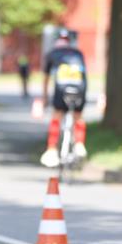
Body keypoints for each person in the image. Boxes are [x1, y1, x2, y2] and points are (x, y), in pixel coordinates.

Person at [39, 28, 88, 167]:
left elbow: (46, 78)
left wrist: (44, 97)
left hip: (61, 89)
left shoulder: (52, 53)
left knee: (57, 116)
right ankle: (79, 144)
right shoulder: (79, 53)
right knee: (78, 116)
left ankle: (51, 149)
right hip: (80, 88)